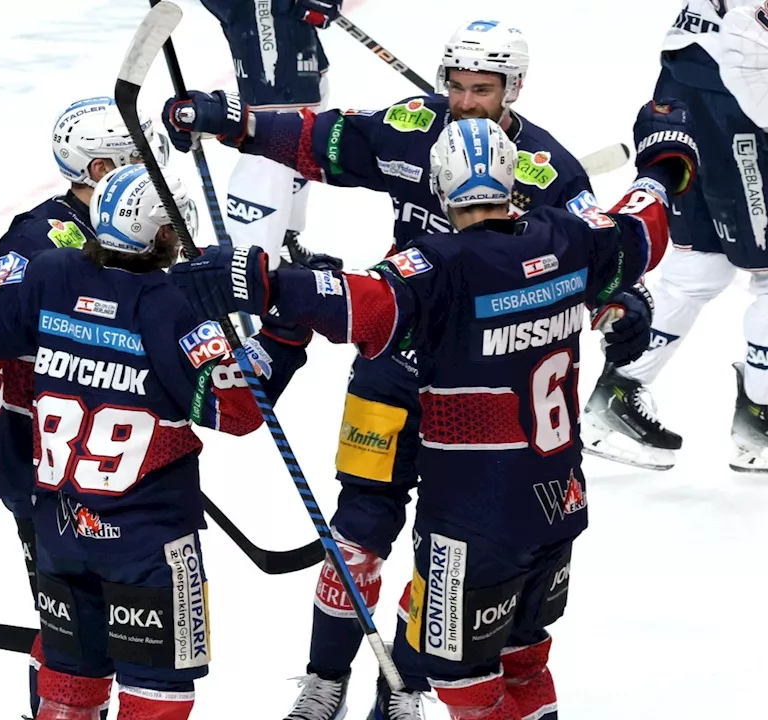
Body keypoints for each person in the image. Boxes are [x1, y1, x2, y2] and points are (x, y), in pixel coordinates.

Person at [167, 107, 697, 720]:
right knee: (518, 650)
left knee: (467, 682)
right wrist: (663, 165)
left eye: (486, 85)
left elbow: (361, 303)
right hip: (554, 497)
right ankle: (328, 681)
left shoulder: (439, 267)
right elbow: (641, 224)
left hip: (472, 514)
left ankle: (404, 690)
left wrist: (263, 281)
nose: (471, 94)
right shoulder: (571, 234)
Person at [0, 163, 307, 720]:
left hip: (63, 529)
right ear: (161, 231)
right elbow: (236, 408)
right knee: (158, 691)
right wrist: (286, 334)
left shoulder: (50, 275)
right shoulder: (173, 306)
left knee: (69, 679)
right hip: (147, 540)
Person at [0, 95, 167, 719]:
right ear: (102, 170)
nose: (155, 165)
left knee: (131, 628)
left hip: (128, 461)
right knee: (72, 625)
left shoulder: (148, 221)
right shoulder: (39, 237)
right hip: (43, 457)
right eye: (138, 156)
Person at [583, 0, 768, 473]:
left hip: (694, 82)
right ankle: (761, 423)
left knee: (697, 270)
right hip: (735, 96)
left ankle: (617, 394)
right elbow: (749, 43)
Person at [197, 0, 343, 265]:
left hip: (288, 27)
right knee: (271, 139)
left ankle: (283, 240)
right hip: (260, 14)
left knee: (305, 127)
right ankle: (254, 273)